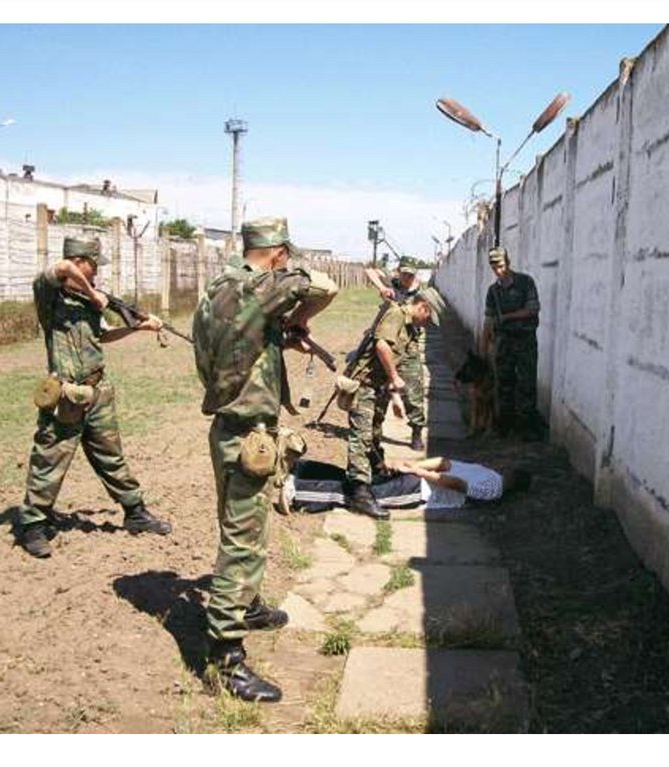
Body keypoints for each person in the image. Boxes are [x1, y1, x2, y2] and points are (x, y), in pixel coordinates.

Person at [192, 216, 338, 703]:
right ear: (277, 253)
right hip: (248, 436)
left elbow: (232, 343)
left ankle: (249, 605)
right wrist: (296, 317)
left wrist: (275, 333)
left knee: (237, 527)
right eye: (285, 256)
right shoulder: (261, 287)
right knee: (243, 544)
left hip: (226, 428)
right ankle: (224, 659)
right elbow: (325, 286)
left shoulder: (219, 289)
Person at [14, 237, 172, 559]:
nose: (97, 272)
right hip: (67, 395)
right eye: (94, 265)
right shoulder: (48, 292)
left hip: (98, 391)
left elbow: (103, 335)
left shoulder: (86, 301)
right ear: (81, 261)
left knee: (111, 457)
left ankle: (135, 512)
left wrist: (140, 327)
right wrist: (92, 294)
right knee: (50, 458)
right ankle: (33, 524)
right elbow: (63, 268)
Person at [344, 286, 444, 520]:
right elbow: (382, 346)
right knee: (361, 436)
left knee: (374, 433)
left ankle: (374, 475)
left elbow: (396, 360)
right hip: (364, 384)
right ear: (423, 307)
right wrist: (395, 377)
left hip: (378, 386)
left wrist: (395, 394)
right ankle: (359, 492)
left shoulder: (409, 328)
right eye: (428, 318)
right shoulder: (396, 314)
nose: (426, 325)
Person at [279, 455, 531, 513]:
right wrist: (415, 469)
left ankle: (303, 472)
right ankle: (298, 489)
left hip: (419, 483)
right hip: (418, 487)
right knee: (360, 494)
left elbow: (447, 468)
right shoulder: (495, 487)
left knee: (358, 482)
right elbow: (453, 479)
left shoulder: (488, 477)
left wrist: (414, 466)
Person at [364, 257, 427, 450]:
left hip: (409, 347)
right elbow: (369, 270)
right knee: (381, 390)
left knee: (413, 393)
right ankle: (375, 433)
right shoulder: (393, 284)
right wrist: (382, 288)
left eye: (411, 275)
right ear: (398, 272)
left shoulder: (419, 293)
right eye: (404, 273)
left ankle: (416, 431)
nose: (407, 278)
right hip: (390, 343)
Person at [483, 246, 544, 440]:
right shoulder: (493, 291)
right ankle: (505, 426)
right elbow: (488, 319)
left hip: (525, 340)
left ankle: (526, 428)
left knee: (527, 383)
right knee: (504, 383)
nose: (498, 270)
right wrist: (485, 345)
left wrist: (507, 317)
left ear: (508, 262)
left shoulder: (525, 282)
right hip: (504, 342)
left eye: (501, 265)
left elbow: (533, 309)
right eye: (494, 267)